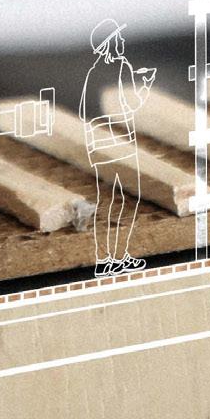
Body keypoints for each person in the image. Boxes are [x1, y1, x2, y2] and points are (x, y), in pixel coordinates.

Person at [81, 18, 154, 275]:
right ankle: (107, 257)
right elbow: (126, 108)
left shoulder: (110, 67)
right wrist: (144, 88)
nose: (122, 41)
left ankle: (118, 255)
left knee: (119, 204)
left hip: (110, 145)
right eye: (118, 39)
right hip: (109, 146)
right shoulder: (111, 68)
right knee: (113, 203)